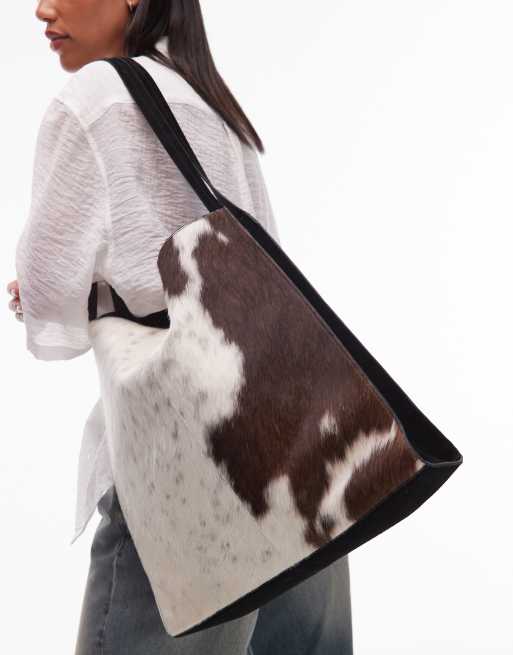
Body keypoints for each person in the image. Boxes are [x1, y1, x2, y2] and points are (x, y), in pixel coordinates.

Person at [7, 1, 354, 653]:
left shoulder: (96, 97)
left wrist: (43, 297)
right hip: (295, 460)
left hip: (183, 468)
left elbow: (50, 293)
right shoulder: (214, 104)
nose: (42, 8)